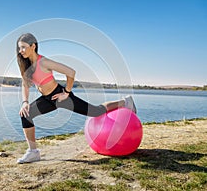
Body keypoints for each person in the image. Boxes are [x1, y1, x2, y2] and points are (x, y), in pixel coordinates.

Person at [16, 33, 136, 164]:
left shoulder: (44, 62)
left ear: (33, 46)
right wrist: (25, 102)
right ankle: (33, 152)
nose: (20, 51)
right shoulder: (27, 65)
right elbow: (25, 85)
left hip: (61, 96)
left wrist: (66, 92)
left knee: (95, 111)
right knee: (26, 115)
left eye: (23, 47)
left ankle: (125, 102)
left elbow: (71, 72)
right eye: (19, 48)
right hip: (46, 99)